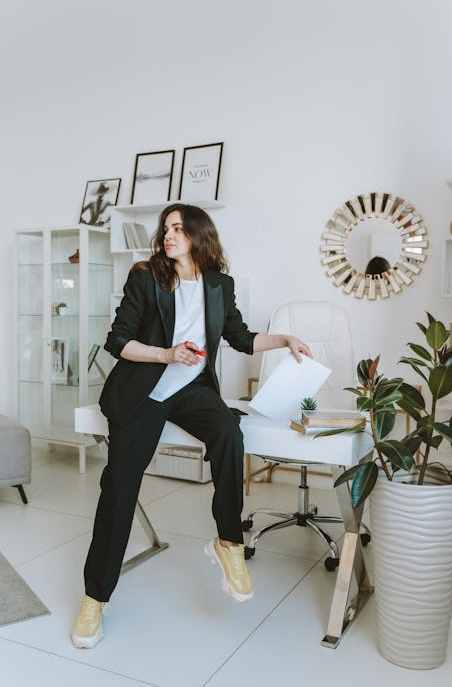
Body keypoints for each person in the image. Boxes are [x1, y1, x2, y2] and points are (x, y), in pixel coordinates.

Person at [72, 203, 312, 648]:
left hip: (190, 389)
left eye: (178, 228)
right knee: (120, 489)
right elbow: (117, 341)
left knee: (227, 433)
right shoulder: (147, 276)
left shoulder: (220, 284)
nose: (169, 235)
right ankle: (94, 599)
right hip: (144, 389)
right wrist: (166, 354)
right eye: (166, 228)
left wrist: (283, 339)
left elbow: (240, 338)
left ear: (199, 235)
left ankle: (228, 544)